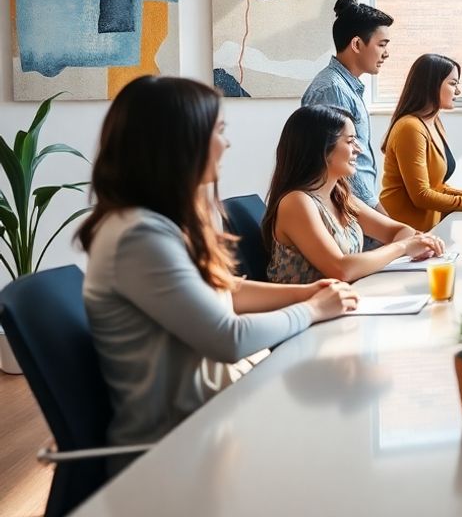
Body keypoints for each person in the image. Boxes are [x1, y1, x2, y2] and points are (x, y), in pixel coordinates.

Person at [80, 77, 359, 468]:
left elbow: (228, 290)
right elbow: (228, 338)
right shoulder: (137, 236)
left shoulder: (159, 223)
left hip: (221, 412)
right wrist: (313, 310)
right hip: (182, 447)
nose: (227, 143)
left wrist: (310, 291)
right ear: (181, 141)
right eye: (219, 131)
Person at [264, 105, 444, 284]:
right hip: (306, 310)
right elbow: (341, 270)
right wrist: (404, 247)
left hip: (346, 301)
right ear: (322, 149)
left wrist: (415, 243)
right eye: (350, 141)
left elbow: (400, 231)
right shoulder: (296, 202)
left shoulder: (340, 196)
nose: (359, 149)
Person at [380, 53, 462, 231]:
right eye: (453, 83)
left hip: (425, 231)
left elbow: (437, 187)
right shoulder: (410, 128)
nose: (458, 92)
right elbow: (421, 195)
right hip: (400, 233)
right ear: (432, 85)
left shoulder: (434, 123)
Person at [300, 0, 393, 210]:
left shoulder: (346, 87)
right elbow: (337, 164)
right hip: (348, 210)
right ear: (357, 44)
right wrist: (379, 216)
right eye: (381, 45)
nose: (386, 54)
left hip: (357, 208)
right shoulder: (332, 90)